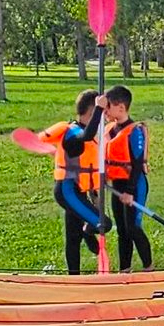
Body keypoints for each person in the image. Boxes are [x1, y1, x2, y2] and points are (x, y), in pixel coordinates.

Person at [42, 89, 111, 274]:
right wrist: (99, 108)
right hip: (67, 190)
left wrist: (94, 192)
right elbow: (86, 135)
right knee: (104, 223)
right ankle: (87, 232)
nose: (102, 120)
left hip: (77, 191)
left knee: (72, 237)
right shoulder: (73, 133)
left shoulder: (82, 132)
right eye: (100, 115)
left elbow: (85, 167)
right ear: (91, 113)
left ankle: (74, 277)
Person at [103, 85, 152, 272]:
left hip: (134, 184)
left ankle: (148, 267)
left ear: (121, 107)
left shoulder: (134, 131)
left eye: (108, 107)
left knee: (132, 228)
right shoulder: (109, 129)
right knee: (122, 230)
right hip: (117, 184)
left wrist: (130, 192)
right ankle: (125, 270)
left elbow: (138, 164)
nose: (105, 111)